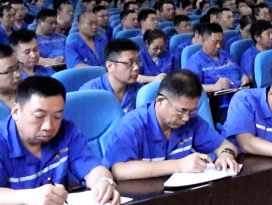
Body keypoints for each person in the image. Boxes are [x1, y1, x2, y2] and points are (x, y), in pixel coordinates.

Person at [0, 76, 120, 205]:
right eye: (39, 116)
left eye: (57, 116)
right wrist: (30, 197)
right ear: (16, 112)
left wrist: (104, 182)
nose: (49, 126)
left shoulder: (67, 130)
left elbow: (92, 168)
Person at [103, 70, 240, 180]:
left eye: (192, 111)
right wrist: (178, 165)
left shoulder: (192, 120)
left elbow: (226, 146)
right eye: (181, 111)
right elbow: (119, 170)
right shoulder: (132, 125)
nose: (186, 117)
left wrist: (226, 155)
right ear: (160, 101)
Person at [185, 23, 248, 123]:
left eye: (221, 42)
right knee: (245, 120)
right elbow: (190, 88)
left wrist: (244, 77)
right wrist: (214, 87)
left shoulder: (225, 55)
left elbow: (240, 72)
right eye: (215, 42)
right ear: (203, 41)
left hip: (240, 98)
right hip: (220, 106)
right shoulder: (195, 61)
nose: (219, 46)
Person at [79, 39, 142, 113]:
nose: (136, 67)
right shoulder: (89, 93)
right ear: (110, 66)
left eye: (138, 62)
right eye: (129, 63)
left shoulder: (140, 90)